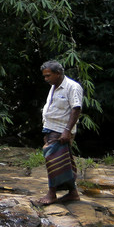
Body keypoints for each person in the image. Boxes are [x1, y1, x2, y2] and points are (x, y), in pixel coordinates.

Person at [39, 60, 84, 205]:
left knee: (52, 161)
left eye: (48, 76)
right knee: (64, 163)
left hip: (61, 131)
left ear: (58, 74)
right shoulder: (54, 86)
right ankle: (73, 193)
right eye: (44, 77)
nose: (46, 79)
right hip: (51, 128)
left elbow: (76, 108)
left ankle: (52, 194)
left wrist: (67, 131)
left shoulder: (72, 87)